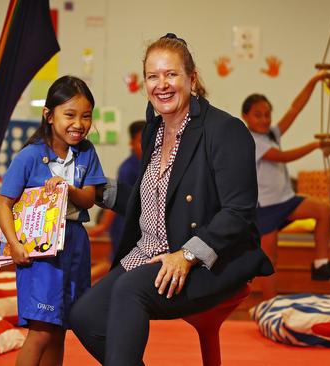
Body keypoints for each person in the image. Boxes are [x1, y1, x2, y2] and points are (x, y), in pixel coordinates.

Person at [69, 33, 273, 365]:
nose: (161, 84)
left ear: (191, 78)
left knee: (129, 290)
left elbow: (239, 212)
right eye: (153, 76)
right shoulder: (155, 129)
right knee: (84, 315)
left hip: (208, 260)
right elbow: (147, 201)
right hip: (149, 254)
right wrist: (92, 189)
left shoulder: (224, 130)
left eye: (171, 74)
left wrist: (187, 255)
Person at [0, 75, 106, 366]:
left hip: (76, 245)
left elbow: (89, 199)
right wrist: (15, 244)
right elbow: (3, 204)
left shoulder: (87, 152)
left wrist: (66, 188)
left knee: (59, 330)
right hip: (40, 254)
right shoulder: (29, 156)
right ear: (48, 115)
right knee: (41, 331)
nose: (78, 124)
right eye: (69, 115)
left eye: (85, 116)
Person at [241, 73, 330, 299]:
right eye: (258, 115)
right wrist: (315, 145)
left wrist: (315, 80)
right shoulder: (250, 139)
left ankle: (321, 263)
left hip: (286, 200)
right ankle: (270, 303)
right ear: (245, 117)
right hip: (265, 208)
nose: (264, 120)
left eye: (267, 115)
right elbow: (282, 157)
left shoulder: (272, 133)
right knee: (269, 258)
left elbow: (295, 109)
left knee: (324, 209)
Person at [87, 120, 146, 261]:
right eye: (140, 141)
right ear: (131, 143)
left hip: (140, 225)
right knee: (119, 263)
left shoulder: (150, 165)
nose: (145, 146)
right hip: (123, 225)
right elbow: (116, 198)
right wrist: (103, 226)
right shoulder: (129, 168)